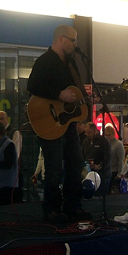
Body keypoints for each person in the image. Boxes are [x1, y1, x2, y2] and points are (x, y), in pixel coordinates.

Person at [27, 24, 92, 222]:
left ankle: (73, 205)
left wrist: (87, 99)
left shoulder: (71, 64)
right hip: (49, 123)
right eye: (73, 40)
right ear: (61, 39)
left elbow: (75, 96)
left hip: (67, 124)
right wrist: (59, 94)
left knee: (76, 162)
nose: (75, 44)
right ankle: (52, 209)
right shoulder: (45, 61)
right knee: (54, 167)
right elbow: (32, 85)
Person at [0, 111, 23, 202]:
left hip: (11, 173)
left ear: (7, 119)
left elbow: (16, 154)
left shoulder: (15, 133)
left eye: (2, 118)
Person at [82, 122, 112, 196]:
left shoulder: (104, 141)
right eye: (86, 133)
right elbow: (83, 155)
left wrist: (99, 166)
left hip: (102, 174)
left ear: (95, 130)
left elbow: (108, 157)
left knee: (101, 194)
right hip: (89, 173)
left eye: (89, 132)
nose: (88, 134)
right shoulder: (85, 142)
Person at [104, 126, 125, 194]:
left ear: (113, 134)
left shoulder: (118, 144)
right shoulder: (105, 143)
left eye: (109, 135)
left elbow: (120, 160)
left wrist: (119, 173)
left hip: (114, 171)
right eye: (106, 135)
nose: (107, 137)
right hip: (106, 169)